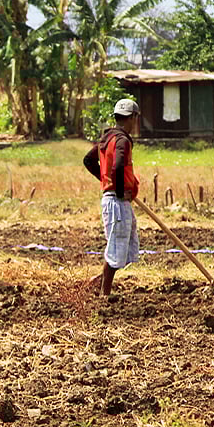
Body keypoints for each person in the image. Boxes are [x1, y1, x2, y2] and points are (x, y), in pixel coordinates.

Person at [83, 98, 141, 297]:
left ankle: (100, 284)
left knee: (122, 243)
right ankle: (104, 293)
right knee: (117, 245)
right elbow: (116, 166)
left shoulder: (106, 139)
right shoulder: (122, 140)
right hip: (116, 201)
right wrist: (117, 190)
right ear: (132, 117)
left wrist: (105, 180)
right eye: (136, 118)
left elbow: (89, 160)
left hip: (113, 199)